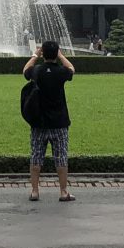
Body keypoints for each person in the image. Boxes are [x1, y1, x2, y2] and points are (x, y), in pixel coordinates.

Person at [22, 40, 75, 202]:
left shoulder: (37, 71)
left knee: (36, 156)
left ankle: (35, 191)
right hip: (59, 122)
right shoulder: (61, 72)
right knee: (61, 157)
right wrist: (61, 56)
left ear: (43, 53)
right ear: (56, 53)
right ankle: (63, 191)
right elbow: (72, 69)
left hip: (39, 122)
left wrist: (35, 55)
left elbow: (25, 70)